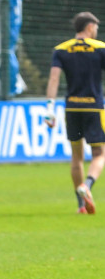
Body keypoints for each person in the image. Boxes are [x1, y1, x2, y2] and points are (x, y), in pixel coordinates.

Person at [43, 11, 105, 214]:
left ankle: (80, 205)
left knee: (76, 156)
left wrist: (50, 109)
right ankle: (87, 185)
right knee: (99, 153)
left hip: (71, 108)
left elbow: (54, 79)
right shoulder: (100, 48)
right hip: (94, 107)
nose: (97, 30)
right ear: (89, 27)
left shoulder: (61, 50)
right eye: (96, 27)